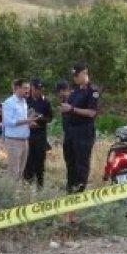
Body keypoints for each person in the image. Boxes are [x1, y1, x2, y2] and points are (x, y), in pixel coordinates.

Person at [61, 63, 100, 193]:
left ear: (84, 73)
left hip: (84, 132)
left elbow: (91, 113)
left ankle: (79, 191)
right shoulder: (75, 91)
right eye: (73, 76)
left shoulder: (92, 91)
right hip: (71, 132)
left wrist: (72, 109)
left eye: (77, 75)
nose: (75, 79)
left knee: (81, 163)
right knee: (70, 161)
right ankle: (70, 189)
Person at [1, 79, 35, 178]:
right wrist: (27, 121)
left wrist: (30, 122)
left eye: (28, 88)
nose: (28, 90)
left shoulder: (24, 102)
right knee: (13, 172)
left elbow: (22, 120)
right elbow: (8, 122)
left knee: (21, 172)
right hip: (13, 141)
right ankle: (11, 192)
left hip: (24, 140)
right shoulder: (9, 102)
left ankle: (17, 192)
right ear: (17, 88)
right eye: (25, 88)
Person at [23, 78, 54, 188]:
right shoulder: (26, 101)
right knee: (28, 161)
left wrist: (40, 118)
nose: (38, 91)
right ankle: (27, 186)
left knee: (40, 161)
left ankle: (40, 186)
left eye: (40, 89)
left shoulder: (45, 101)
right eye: (36, 89)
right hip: (28, 135)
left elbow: (50, 117)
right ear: (32, 88)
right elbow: (22, 117)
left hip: (40, 136)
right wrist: (29, 121)